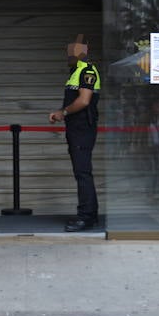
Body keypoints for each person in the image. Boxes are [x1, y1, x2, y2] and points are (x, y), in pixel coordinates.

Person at [48, 34, 101, 232]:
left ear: (81, 52)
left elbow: (84, 100)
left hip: (83, 129)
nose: (68, 55)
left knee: (83, 173)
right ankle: (90, 214)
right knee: (82, 172)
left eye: (72, 51)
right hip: (76, 128)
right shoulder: (75, 71)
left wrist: (63, 112)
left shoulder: (87, 70)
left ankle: (86, 217)